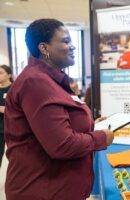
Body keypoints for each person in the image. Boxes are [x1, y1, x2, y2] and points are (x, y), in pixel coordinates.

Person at [4, 18, 114, 200]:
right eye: (65, 41)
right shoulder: (36, 82)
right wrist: (102, 137)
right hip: (42, 190)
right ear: (44, 48)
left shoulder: (50, 81)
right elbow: (62, 145)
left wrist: (91, 125)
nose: (73, 46)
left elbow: (55, 125)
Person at [0, 65, 13, 168]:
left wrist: (6, 110)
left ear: (9, 75)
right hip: (0, 128)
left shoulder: (14, 88)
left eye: (1, 73)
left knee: (14, 156)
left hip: (11, 127)